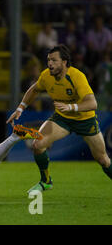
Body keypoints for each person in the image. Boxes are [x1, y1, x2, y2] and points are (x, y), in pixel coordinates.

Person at [7, 44, 112, 193]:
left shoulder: (77, 76)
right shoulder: (46, 76)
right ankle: (46, 181)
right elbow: (34, 89)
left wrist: (71, 107)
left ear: (64, 62)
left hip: (85, 120)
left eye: (54, 60)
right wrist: (20, 108)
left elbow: (92, 103)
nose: (50, 63)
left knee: (103, 159)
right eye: (49, 60)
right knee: (38, 144)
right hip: (62, 118)